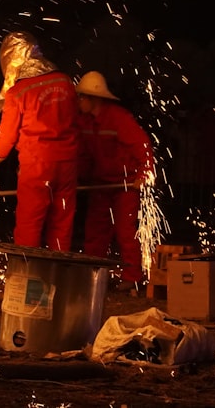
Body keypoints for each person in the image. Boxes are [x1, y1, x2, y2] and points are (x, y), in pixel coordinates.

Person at [0, 31, 80, 251]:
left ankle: (27, 278)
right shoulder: (64, 81)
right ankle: (58, 276)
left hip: (37, 166)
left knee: (29, 224)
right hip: (68, 163)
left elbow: (7, 136)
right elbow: (77, 120)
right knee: (61, 224)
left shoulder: (18, 92)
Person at [75, 71, 155, 291]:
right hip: (101, 185)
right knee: (95, 232)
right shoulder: (84, 122)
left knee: (125, 232)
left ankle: (132, 277)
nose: (79, 101)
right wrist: (76, 177)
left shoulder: (119, 118)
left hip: (124, 185)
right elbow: (83, 154)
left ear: (94, 98)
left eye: (82, 97)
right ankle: (93, 275)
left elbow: (142, 145)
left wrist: (145, 173)